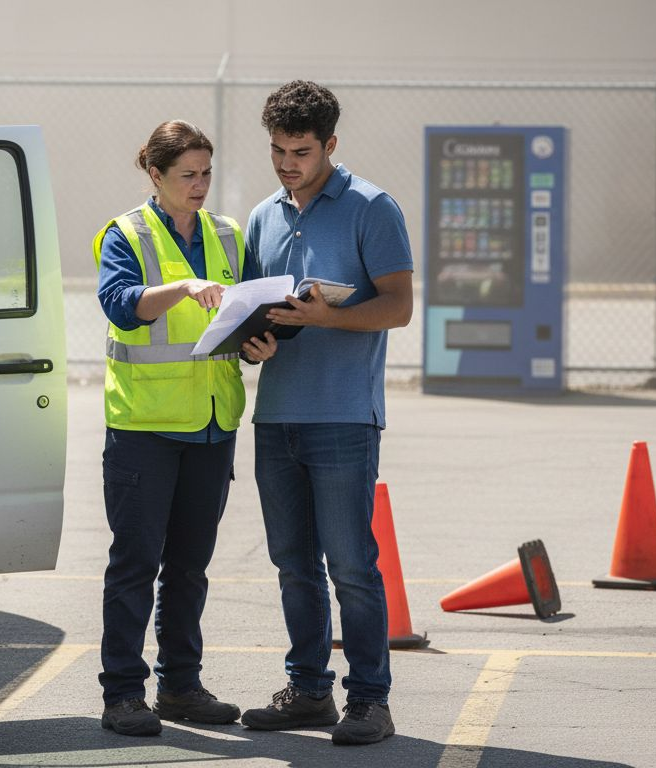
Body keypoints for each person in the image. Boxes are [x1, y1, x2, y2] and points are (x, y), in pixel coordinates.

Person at [238, 81, 414, 746]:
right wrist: (251, 344)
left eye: (302, 151)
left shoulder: (373, 207)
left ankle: (369, 700)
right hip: (276, 415)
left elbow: (398, 306)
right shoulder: (263, 216)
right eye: (278, 150)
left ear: (330, 146)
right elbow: (262, 310)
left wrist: (329, 316)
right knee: (292, 564)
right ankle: (309, 692)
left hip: (344, 416)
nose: (288, 163)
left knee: (351, 565)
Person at [93, 120, 275, 737]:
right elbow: (121, 304)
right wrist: (181, 288)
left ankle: (180, 686)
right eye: (186, 175)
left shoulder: (227, 234)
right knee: (135, 564)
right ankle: (122, 694)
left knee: (189, 567)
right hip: (144, 428)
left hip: (211, 425)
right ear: (156, 175)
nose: (199, 186)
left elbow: (240, 317)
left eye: (206, 174)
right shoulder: (126, 234)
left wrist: (257, 346)